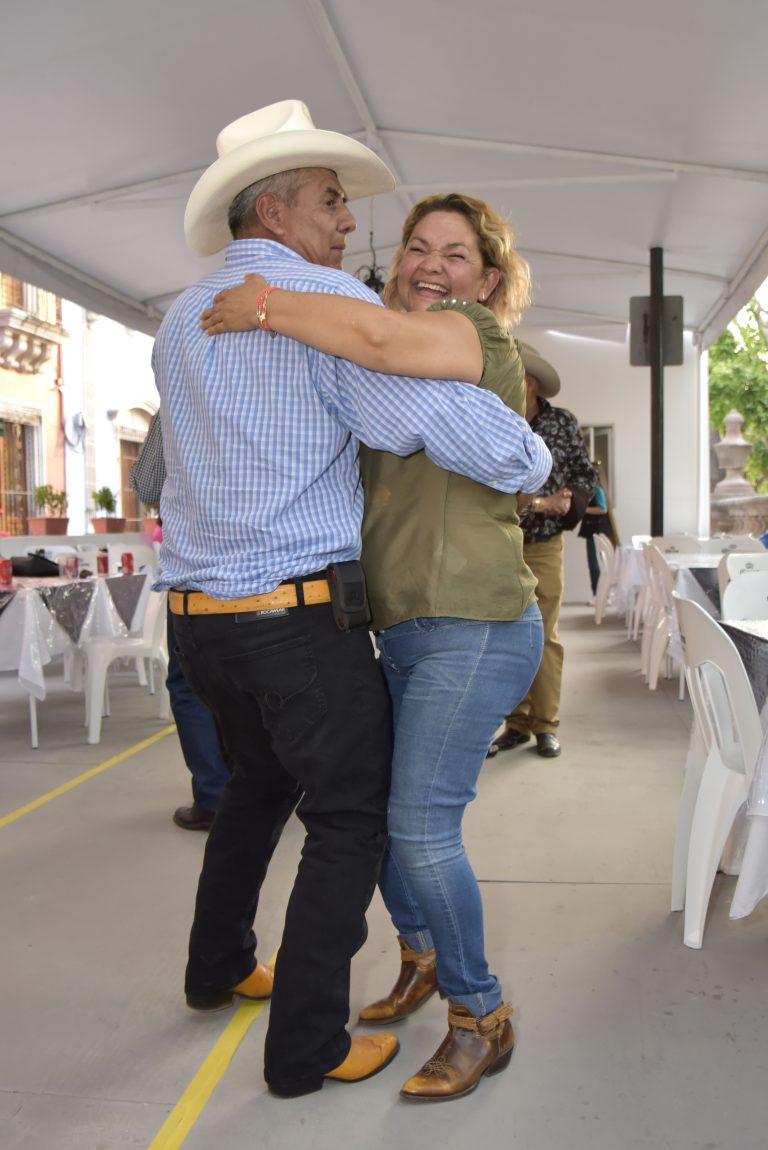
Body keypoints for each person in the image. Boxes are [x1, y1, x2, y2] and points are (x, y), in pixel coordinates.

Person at [153, 101, 551, 1101]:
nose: (347, 224)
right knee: (350, 822)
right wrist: (523, 450)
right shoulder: (330, 306)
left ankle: (216, 966)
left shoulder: (175, 316)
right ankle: (307, 1049)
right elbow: (412, 401)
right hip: (294, 619)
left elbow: (164, 467)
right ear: (280, 208)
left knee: (254, 788)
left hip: (200, 627)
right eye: (334, 201)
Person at [491, 345, 598, 759]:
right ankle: (516, 721)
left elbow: (585, 471)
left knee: (545, 635)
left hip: (543, 545)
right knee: (508, 634)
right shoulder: (493, 416)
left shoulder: (560, 422)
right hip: (499, 540)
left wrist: (570, 498)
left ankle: (546, 724)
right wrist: (538, 502)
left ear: (530, 383)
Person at [131, 416, 230, 830]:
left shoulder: (176, 398)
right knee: (268, 681)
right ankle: (270, 790)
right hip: (281, 572)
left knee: (191, 687)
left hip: (198, 576)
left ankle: (214, 797)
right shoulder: (291, 372)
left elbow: (149, 484)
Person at [579, 464, 614, 597]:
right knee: (594, 563)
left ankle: (600, 594)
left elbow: (602, 508)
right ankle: (599, 594)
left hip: (596, 529)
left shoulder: (597, 489)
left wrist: (583, 509)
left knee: (595, 563)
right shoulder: (595, 489)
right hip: (592, 529)